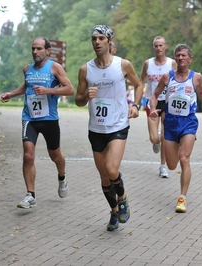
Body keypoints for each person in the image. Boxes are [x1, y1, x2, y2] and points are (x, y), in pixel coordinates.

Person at [75, 25, 143, 231]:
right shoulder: (85, 70)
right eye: (94, 38)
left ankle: (122, 198)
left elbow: (138, 85)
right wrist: (86, 96)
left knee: (112, 169)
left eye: (101, 38)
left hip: (118, 125)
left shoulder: (123, 65)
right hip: (96, 128)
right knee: (104, 177)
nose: (96, 42)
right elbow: (78, 100)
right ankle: (114, 210)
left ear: (109, 41)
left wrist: (136, 105)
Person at [149, 43, 202, 213]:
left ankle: (182, 199)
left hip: (188, 122)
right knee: (172, 165)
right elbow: (155, 95)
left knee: (184, 158)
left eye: (184, 55)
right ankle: (175, 144)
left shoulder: (196, 77)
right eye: (178, 55)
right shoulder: (167, 77)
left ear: (190, 58)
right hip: (170, 123)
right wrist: (153, 110)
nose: (180, 58)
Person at [0, 37, 74, 209]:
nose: (35, 52)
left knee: (55, 156)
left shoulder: (55, 67)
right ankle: (30, 195)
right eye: (33, 48)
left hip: (49, 120)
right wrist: (11, 94)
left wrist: (48, 90)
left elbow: (70, 89)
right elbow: (26, 87)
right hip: (30, 118)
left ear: (48, 51)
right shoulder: (27, 69)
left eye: (39, 49)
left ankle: (62, 176)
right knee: (28, 154)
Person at [140, 36, 177, 178]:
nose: (158, 48)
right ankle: (156, 142)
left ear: (166, 47)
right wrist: (139, 97)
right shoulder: (148, 63)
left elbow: (178, 79)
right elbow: (141, 80)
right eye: (156, 46)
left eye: (161, 45)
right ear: (153, 47)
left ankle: (163, 166)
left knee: (165, 137)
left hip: (167, 102)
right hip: (152, 101)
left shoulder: (172, 63)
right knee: (154, 137)